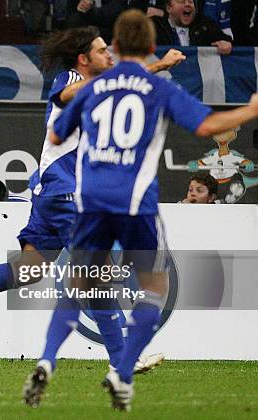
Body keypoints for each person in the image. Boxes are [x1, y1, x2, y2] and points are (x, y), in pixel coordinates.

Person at [36, 9, 258, 411]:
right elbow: (208, 127)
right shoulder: (156, 88)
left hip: (90, 204)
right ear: (153, 46)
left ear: (116, 48)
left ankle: (47, 360)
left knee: (78, 285)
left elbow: (54, 132)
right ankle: (121, 369)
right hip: (135, 203)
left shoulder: (95, 86)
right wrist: (252, 108)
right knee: (154, 288)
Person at [0, 26, 182, 371]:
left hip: (53, 191)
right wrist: (158, 65)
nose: (109, 55)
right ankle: (124, 358)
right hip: (64, 191)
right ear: (83, 58)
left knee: (28, 270)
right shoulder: (70, 80)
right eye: (102, 50)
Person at [151, 0, 233, 54]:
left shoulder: (204, 25)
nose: (187, 4)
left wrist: (224, 42)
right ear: (169, 8)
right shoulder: (154, 27)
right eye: (181, 1)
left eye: (190, 1)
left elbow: (225, 39)